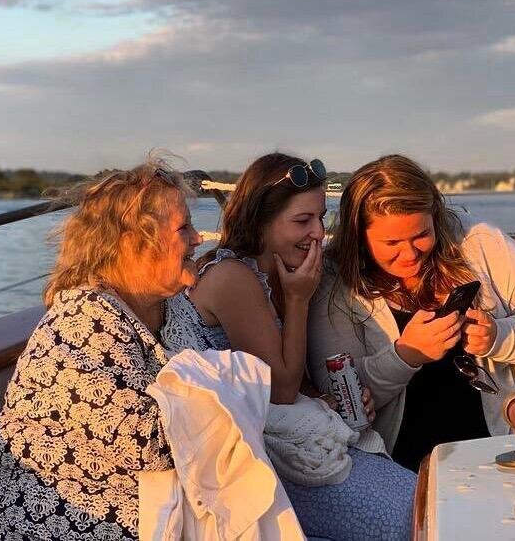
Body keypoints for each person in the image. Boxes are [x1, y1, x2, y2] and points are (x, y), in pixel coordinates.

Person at [161, 152, 415, 540]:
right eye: (302, 220)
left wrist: (327, 399)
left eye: (321, 217)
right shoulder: (232, 277)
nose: (318, 232)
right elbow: (278, 390)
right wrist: (298, 300)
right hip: (245, 456)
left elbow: (292, 383)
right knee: (409, 516)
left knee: (421, 498)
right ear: (261, 223)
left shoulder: (280, 273)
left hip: (276, 436)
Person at [0, 160, 203, 540]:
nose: (198, 238)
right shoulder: (82, 320)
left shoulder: (174, 307)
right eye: (183, 228)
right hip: (48, 525)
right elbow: (152, 448)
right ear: (132, 244)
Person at [308, 154, 515, 472]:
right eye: (392, 242)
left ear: (435, 217)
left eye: (421, 236)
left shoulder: (475, 239)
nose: (410, 253)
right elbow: (340, 393)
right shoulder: (334, 279)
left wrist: (498, 336)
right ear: (358, 237)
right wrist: (405, 355)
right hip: (409, 460)